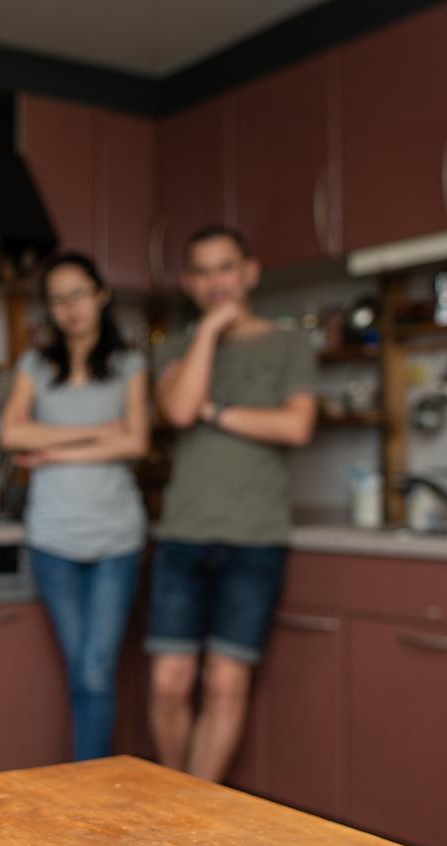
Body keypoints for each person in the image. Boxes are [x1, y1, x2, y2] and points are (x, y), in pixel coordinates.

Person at [148, 225, 317, 782]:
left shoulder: (289, 344)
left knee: (225, 682)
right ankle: (175, 803)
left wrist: (217, 414)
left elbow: (295, 425)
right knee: (169, 681)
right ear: (188, 282)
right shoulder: (175, 348)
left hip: (255, 536)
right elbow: (177, 411)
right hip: (183, 533)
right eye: (202, 271)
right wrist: (210, 332)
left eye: (226, 268)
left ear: (250, 272)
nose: (216, 281)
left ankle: (198, 807)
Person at [0, 251, 149, 762]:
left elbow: (136, 443)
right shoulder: (36, 365)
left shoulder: (129, 365)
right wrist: (98, 431)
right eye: (58, 299)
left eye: (79, 294)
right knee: (81, 671)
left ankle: (92, 784)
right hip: (53, 539)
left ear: (101, 295)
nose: (70, 308)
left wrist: (53, 452)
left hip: (117, 538)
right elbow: (11, 432)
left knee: (95, 671)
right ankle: (90, 781)